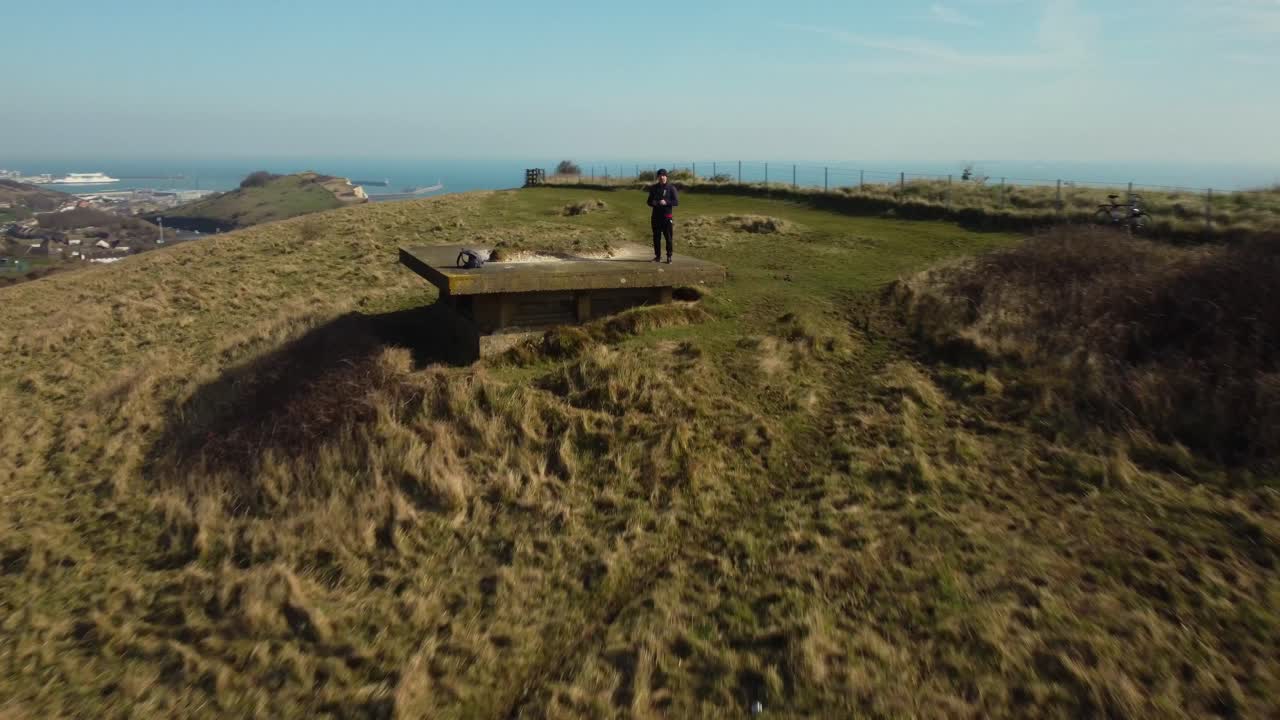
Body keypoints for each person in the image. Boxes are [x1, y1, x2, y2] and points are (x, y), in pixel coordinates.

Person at [646, 169, 679, 263]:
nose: (662, 177)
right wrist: (654, 203)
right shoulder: (654, 188)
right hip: (656, 217)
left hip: (667, 216)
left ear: (666, 177)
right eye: (660, 176)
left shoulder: (671, 188)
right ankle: (658, 256)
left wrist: (666, 202)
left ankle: (669, 257)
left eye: (663, 175)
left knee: (668, 238)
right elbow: (648, 201)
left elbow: (676, 202)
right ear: (658, 177)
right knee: (656, 237)